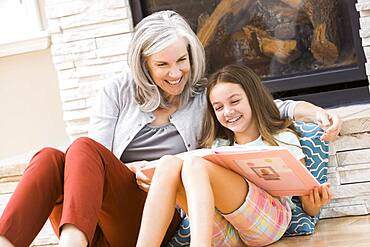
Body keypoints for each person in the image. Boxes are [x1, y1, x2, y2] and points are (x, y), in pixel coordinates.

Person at [0, 11, 339, 247]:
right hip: (100, 214)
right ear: (143, 65)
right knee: (50, 157)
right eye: (162, 65)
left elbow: (258, 108)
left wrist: (314, 112)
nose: (176, 73)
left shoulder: (201, 96)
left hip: (153, 215)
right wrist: (133, 170)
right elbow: (92, 161)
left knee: (83, 149)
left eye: (182, 61)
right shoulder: (118, 90)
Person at [136, 64, 333, 247]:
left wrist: (315, 202)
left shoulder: (281, 138)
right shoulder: (218, 145)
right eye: (219, 107)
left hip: (268, 223)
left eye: (235, 101)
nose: (228, 112)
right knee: (168, 163)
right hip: (225, 231)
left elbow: (309, 207)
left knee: (195, 164)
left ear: (253, 97)